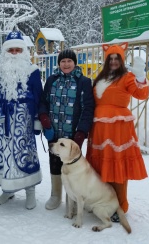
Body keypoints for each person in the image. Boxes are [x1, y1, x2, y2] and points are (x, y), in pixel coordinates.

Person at [0, 31, 43, 210]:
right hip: (2, 119)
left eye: (18, 50)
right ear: (5, 52)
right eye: (11, 50)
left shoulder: (33, 71)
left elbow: (39, 97)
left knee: (26, 155)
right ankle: (8, 190)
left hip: (24, 120)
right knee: (5, 153)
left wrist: (37, 121)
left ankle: (30, 191)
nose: (14, 53)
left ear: (23, 52)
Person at [86, 43, 149, 222]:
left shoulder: (127, 78)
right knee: (99, 167)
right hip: (99, 129)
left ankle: (120, 205)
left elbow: (141, 94)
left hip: (118, 130)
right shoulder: (100, 78)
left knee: (116, 167)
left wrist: (140, 76)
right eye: (110, 59)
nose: (113, 61)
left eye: (117, 58)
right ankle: (101, 200)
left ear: (121, 61)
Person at [39, 49, 95, 210]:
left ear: (74, 63)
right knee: (55, 163)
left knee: (74, 166)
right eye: (63, 61)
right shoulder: (52, 80)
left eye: (69, 61)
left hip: (72, 134)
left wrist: (81, 132)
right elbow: (44, 102)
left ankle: (76, 197)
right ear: (59, 63)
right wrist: (44, 120)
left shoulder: (83, 81)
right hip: (54, 131)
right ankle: (55, 195)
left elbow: (88, 108)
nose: (66, 64)